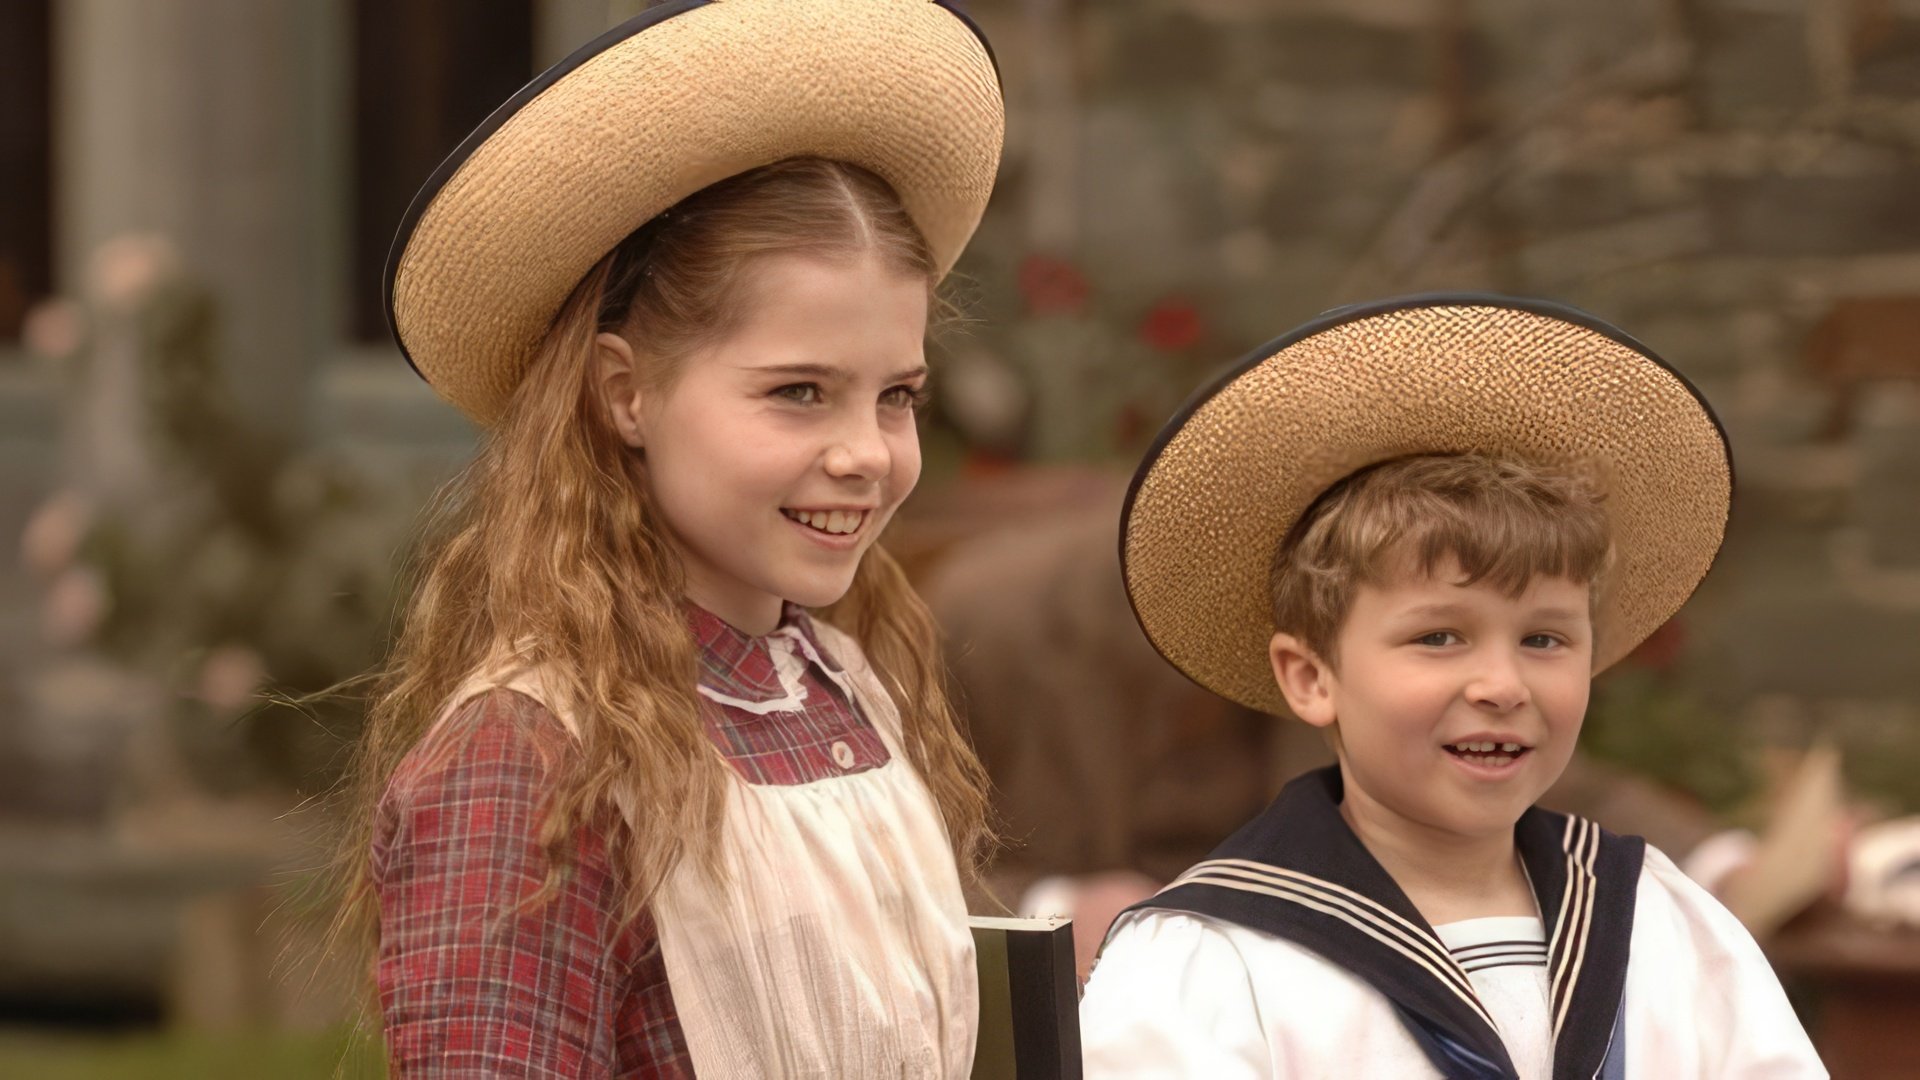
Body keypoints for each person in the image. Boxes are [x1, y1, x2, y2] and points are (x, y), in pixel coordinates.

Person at [325, 2, 1004, 1075]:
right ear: (625, 391)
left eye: (896, 397)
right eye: (799, 393)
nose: (867, 452)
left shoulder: (837, 689)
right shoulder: (530, 758)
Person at [1078, 295, 1827, 1078]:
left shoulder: (1660, 925)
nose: (1502, 684)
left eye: (1544, 639)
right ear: (1310, 677)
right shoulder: (1211, 968)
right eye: (1439, 638)